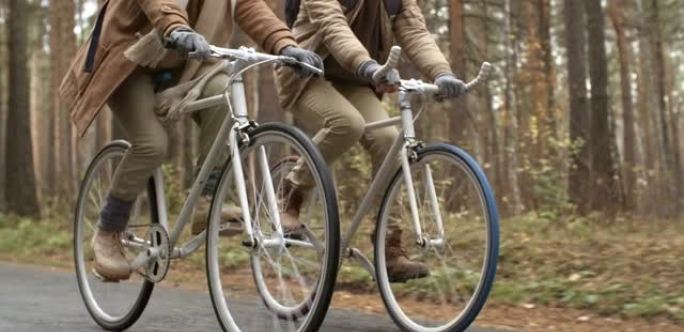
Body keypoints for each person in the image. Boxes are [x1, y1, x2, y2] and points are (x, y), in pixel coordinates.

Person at [60, 0, 323, 281]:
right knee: (152, 144)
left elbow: (248, 6)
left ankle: (206, 201)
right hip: (131, 58)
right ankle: (108, 230)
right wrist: (175, 27)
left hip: (188, 62)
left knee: (225, 96)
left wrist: (285, 44)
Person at [275, 0, 467, 282]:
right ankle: (290, 196)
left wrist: (442, 72)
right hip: (307, 74)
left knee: (388, 139)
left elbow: (415, 31)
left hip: (354, 79)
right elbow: (332, 26)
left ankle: (388, 246)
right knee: (347, 124)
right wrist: (366, 65)